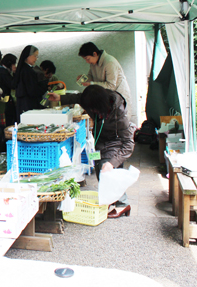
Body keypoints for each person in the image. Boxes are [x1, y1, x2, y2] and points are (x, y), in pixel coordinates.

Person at [49, 85, 135, 218]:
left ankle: (123, 204)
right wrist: (59, 97)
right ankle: (113, 200)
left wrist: (112, 162)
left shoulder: (118, 112)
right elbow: (78, 97)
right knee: (102, 169)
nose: (90, 110)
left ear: (100, 105)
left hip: (115, 141)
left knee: (108, 168)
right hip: (101, 138)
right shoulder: (91, 99)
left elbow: (128, 143)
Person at [77, 42, 131, 107]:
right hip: (107, 96)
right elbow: (91, 76)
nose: (87, 62)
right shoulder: (93, 63)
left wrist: (91, 84)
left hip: (118, 97)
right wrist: (84, 79)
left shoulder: (110, 62)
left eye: (88, 59)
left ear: (95, 54)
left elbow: (111, 86)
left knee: (118, 116)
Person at [14, 45, 48, 120]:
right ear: (28, 56)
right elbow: (32, 90)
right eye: (35, 56)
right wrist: (44, 86)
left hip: (22, 103)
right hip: (28, 104)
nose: (36, 59)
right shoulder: (27, 71)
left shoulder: (23, 69)